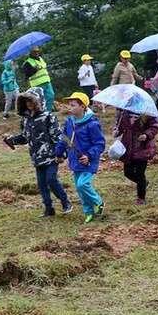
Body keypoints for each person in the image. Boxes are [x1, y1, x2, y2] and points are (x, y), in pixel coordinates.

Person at [4, 88, 73, 217]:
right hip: (36, 157)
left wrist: (62, 154)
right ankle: (49, 209)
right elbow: (25, 137)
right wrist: (11, 140)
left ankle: (65, 202)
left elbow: (58, 136)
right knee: (41, 184)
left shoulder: (48, 117)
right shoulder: (25, 119)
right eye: (26, 101)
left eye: (32, 101)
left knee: (51, 180)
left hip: (51, 156)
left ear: (39, 101)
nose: (29, 104)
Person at [55, 92, 106, 223]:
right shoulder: (69, 122)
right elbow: (64, 139)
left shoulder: (92, 124)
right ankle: (88, 212)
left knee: (82, 184)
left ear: (83, 107)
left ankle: (98, 202)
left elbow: (100, 144)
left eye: (73, 105)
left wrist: (89, 155)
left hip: (88, 161)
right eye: (69, 105)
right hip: (75, 159)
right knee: (79, 187)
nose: (70, 107)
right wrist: (58, 153)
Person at [113, 108, 158, 205]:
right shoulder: (124, 113)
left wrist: (146, 135)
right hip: (128, 148)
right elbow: (120, 126)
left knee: (140, 173)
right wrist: (117, 131)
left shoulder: (147, 113)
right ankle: (143, 183)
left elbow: (154, 127)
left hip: (142, 148)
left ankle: (141, 198)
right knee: (128, 173)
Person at [22, 46, 55, 112]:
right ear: (31, 53)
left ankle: (48, 112)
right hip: (37, 84)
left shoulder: (41, 59)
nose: (36, 53)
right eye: (34, 52)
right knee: (40, 100)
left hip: (47, 81)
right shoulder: (27, 63)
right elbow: (27, 74)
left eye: (37, 51)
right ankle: (41, 113)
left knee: (51, 96)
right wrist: (34, 70)